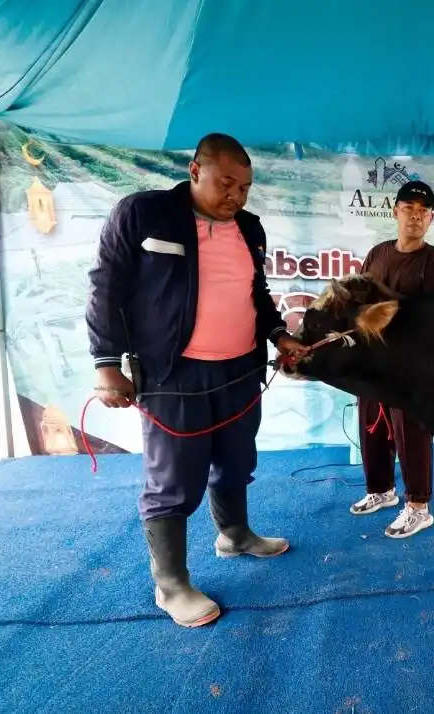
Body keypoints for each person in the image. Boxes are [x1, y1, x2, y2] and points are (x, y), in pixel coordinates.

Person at [86, 132, 306, 628]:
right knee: (174, 481)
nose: (237, 196)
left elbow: (257, 292)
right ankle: (172, 584)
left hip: (241, 370)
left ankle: (234, 534)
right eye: (227, 183)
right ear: (195, 171)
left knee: (235, 461)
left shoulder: (250, 227)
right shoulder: (143, 213)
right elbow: (106, 286)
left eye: (245, 187)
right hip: (171, 374)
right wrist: (106, 363)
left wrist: (278, 336)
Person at [348, 180, 434, 538]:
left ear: (431, 218)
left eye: (423, 212)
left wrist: (383, 311)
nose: (415, 217)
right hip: (373, 362)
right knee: (370, 425)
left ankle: (418, 506)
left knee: (412, 433)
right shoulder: (377, 253)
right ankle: (381, 490)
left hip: (411, 367)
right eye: (409, 209)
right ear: (395, 211)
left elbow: (428, 315)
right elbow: (359, 299)